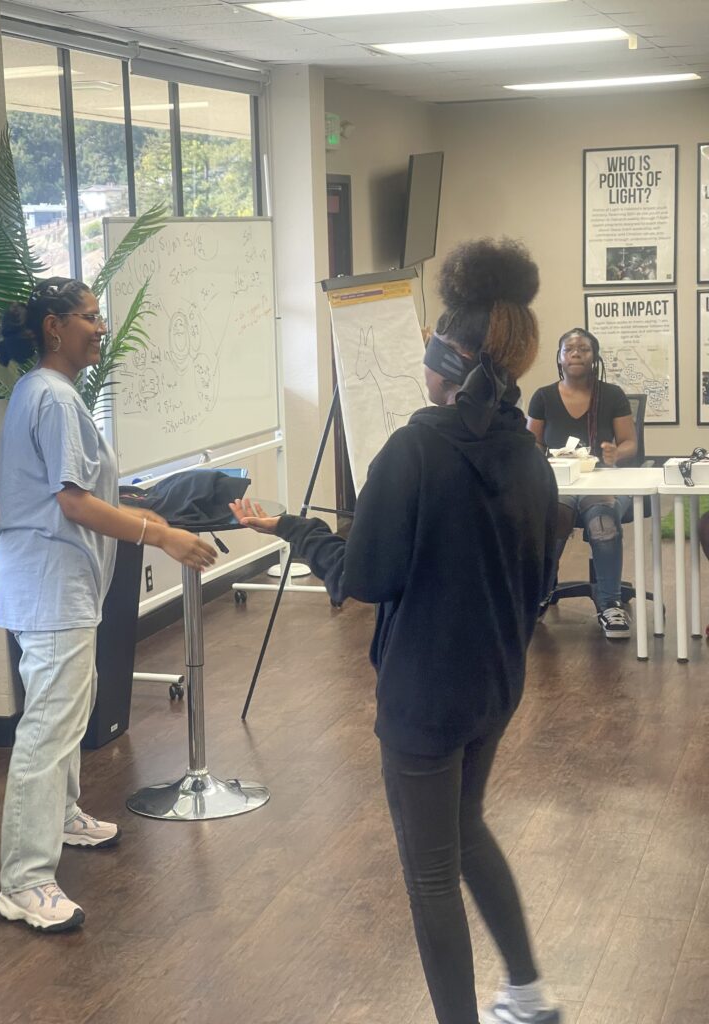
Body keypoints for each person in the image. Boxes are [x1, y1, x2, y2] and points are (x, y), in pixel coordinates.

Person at [230, 240, 560, 1024]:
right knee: (465, 828)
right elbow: (540, 582)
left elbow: (363, 578)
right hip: (494, 688)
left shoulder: (413, 450)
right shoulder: (530, 456)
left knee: (431, 874)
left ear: (448, 357)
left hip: (422, 700)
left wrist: (293, 529)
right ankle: (528, 994)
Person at [0, 277, 217, 933]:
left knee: (66, 711)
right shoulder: (55, 398)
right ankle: (24, 881)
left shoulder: (42, 391)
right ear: (54, 327)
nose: (102, 327)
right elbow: (72, 502)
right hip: (50, 584)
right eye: (89, 317)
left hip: (54, 582)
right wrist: (159, 534)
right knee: (49, 727)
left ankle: (62, 816)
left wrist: (148, 515)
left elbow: (83, 491)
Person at [526, 328, 637, 639]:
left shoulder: (612, 395)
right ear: (560, 357)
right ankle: (541, 592)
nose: (576, 353)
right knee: (553, 517)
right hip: (561, 483)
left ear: (594, 357)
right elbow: (531, 443)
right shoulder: (543, 397)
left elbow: (630, 442)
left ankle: (610, 603)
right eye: (569, 349)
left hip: (603, 482)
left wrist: (616, 453)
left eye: (584, 349)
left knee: (602, 520)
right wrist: (542, 456)